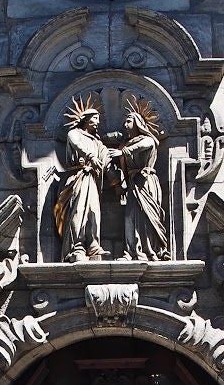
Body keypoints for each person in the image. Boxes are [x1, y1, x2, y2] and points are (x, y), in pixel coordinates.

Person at [54, 94, 110, 262]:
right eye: (95, 118)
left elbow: (105, 158)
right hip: (78, 177)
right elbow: (77, 144)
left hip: (92, 179)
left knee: (93, 212)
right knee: (79, 211)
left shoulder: (97, 141)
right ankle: (76, 246)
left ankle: (93, 244)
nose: (98, 122)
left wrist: (116, 179)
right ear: (85, 119)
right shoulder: (74, 133)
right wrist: (91, 156)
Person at [115, 93, 169, 261]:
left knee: (146, 216)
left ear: (138, 123)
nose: (125, 124)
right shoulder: (126, 144)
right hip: (133, 184)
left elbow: (146, 145)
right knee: (130, 216)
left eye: (129, 121)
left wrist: (122, 151)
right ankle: (132, 252)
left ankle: (150, 250)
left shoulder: (147, 140)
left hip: (146, 182)